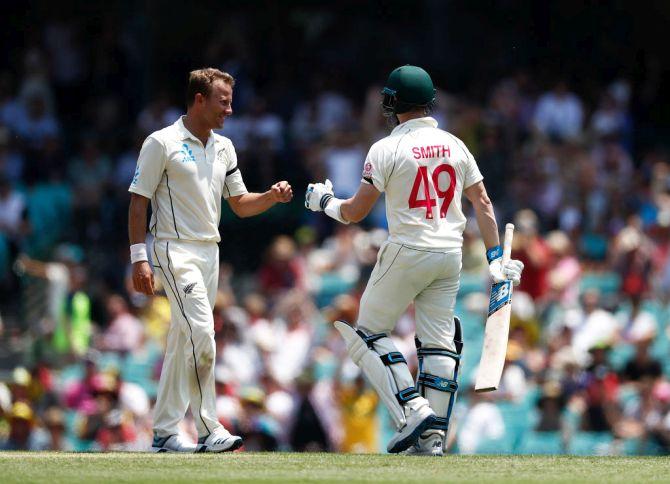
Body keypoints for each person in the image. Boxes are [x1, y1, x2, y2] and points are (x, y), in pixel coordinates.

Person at [305, 65, 524, 455]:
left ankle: (411, 408)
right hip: (449, 255)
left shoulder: (386, 148)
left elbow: (354, 213)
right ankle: (433, 439)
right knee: (439, 345)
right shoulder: (456, 145)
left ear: (392, 103)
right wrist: (495, 260)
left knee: (368, 333)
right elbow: (484, 203)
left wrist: (324, 202)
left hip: (408, 249)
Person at [128, 68, 292, 453]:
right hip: (173, 248)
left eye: (230, 101)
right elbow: (139, 201)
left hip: (209, 251)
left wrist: (270, 195)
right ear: (199, 99)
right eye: (223, 101)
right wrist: (140, 258)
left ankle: (165, 433)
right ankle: (208, 428)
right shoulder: (161, 142)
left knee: (183, 341)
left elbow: (238, 203)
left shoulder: (224, 147)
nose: (230, 110)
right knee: (202, 332)